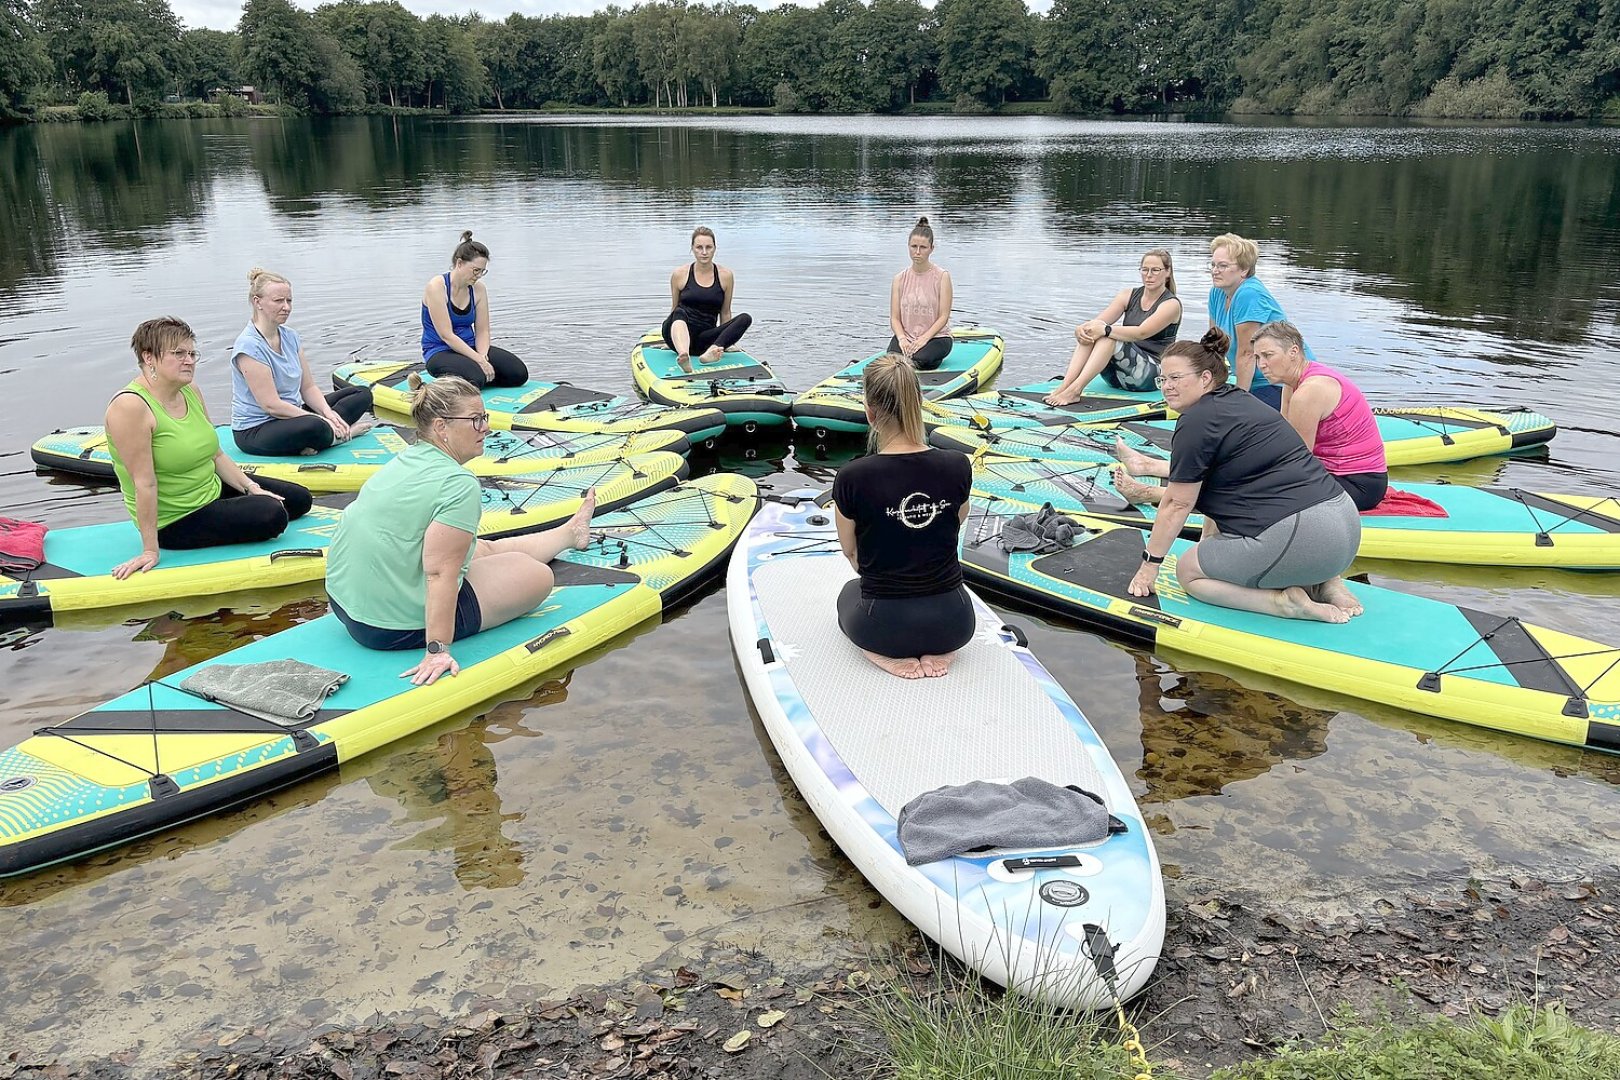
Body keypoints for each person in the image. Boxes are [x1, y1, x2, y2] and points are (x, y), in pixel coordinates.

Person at [324, 376, 596, 687]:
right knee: (536, 575)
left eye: (485, 418)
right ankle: (564, 539)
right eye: (476, 420)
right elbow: (440, 573)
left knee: (479, 549)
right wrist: (437, 650)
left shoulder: (408, 458)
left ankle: (569, 533)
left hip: (345, 606)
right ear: (441, 427)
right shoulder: (458, 485)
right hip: (388, 627)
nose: (486, 428)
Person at [1115, 329, 1363, 624]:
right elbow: (1221, 485)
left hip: (1301, 536)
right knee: (1238, 545)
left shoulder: (1196, 421)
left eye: (1175, 378)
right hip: (1345, 528)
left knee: (1189, 572)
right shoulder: (1240, 400)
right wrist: (1210, 544)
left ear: (1205, 378)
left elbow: (1176, 504)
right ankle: (1327, 584)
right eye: (1162, 379)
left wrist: (1149, 566)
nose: (1166, 387)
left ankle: (1284, 603)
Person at [105, 317, 313, 580]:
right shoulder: (130, 407)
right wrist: (150, 550)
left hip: (210, 489)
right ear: (149, 358)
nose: (189, 360)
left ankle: (249, 499)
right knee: (272, 515)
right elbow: (143, 483)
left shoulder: (189, 390)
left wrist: (250, 487)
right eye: (178, 353)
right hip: (176, 518)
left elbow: (216, 454)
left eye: (192, 353)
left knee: (299, 499)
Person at [832, 354, 974, 679]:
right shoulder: (957, 465)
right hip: (955, 623)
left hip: (883, 627)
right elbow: (956, 520)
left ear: (870, 411)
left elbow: (851, 552)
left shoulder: (853, 477)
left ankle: (884, 655)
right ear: (918, 403)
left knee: (848, 593)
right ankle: (939, 650)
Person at [231, 268, 375, 456]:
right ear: (257, 302)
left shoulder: (290, 336)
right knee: (314, 425)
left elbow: (308, 388)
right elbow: (271, 405)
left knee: (362, 394)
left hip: (293, 414)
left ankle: (327, 434)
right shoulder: (250, 346)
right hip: (257, 429)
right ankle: (339, 436)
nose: (287, 307)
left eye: (289, 300)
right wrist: (320, 419)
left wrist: (328, 413)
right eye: (278, 301)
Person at [1252, 321, 1388, 511]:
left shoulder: (1309, 391)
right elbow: (1282, 440)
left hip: (1360, 484)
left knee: (1255, 491)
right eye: (1257, 357)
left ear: (1293, 352)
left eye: (1268, 355)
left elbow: (1298, 459)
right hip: (1336, 473)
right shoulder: (1292, 383)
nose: (1261, 365)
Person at [1045, 249, 1182, 404]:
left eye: (1155, 270)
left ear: (1168, 272)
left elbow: (1141, 332)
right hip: (1118, 376)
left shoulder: (1171, 304)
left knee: (1108, 337)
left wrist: (1105, 330)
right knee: (1091, 333)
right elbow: (1097, 323)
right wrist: (1082, 329)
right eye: (1145, 269)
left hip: (1151, 376)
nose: (1149, 275)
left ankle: (1075, 391)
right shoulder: (1127, 295)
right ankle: (1065, 386)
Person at [1207, 233, 1311, 410]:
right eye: (1213, 265)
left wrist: (1238, 401)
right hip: (1257, 381)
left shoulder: (1249, 294)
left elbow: (1247, 353)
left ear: (1244, 270)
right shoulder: (1217, 292)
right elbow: (1215, 345)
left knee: (1236, 419)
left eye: (1223, 266)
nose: (1215, 270)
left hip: (1283, 383)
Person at [421, 231, 529, 389]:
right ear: (460, 264)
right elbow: (447, 336)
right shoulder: (436, 287)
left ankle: (477, 375)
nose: (478, 276)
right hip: (440, 350)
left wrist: (483, 356)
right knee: (476, 379)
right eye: (475, 270)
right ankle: (459, 379)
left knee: (518, 374)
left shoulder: (478, 289)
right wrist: (479, 361)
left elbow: (483, 331)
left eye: (482, 271)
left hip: (471, 346)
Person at [662, 226, 752, 373]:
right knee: (679, 311)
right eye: (699, 247)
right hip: (679, 334)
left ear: (715, 248)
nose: (704, 252)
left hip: (704, 339)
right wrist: (673, 338)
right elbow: (674, 309)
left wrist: (727, 341)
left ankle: (712, 351)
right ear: (692, 249)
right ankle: (683, 355)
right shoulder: (680, 274)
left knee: (745, 318)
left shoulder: (725, 275)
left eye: (708, 247)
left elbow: (725, 312)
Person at [887, 216, 954, 371]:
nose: (917, 252)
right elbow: (895, 317)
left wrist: (923, 339)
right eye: (914, 246)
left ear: (931, 248)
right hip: (907, 336)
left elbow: (943, 316)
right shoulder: (899, 279)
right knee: (893, 361)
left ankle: (932, 361)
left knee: (919, 359)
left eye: (923, 247)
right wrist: (902, 339)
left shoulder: (942, 276)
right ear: (908, 246)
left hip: (936, 337)